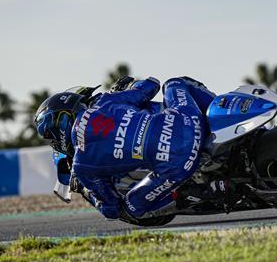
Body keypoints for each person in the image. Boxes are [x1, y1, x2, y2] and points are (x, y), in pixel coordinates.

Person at [34, 76, 215, 220]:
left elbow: (111, 209)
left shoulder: (81, 166)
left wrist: (89, 193)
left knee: (129, 209)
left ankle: (193, 196)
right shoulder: (105, 101)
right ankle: (217, 112)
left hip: (178, 165)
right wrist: (126, 87)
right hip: (188, 119)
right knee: (174, 83)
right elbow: (152, 85)